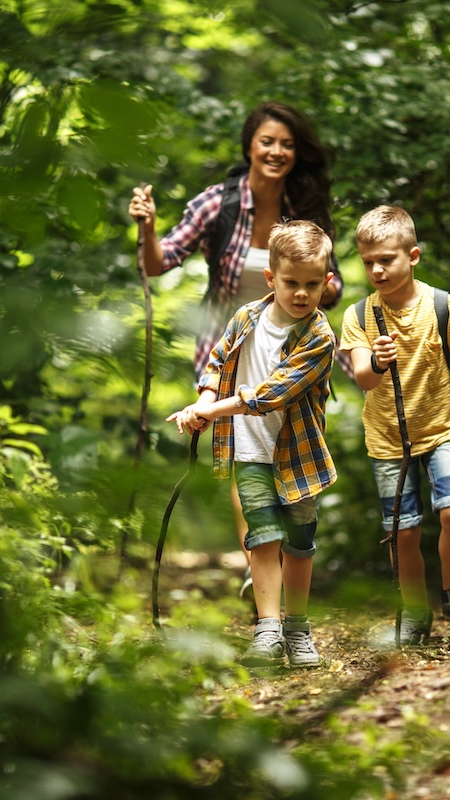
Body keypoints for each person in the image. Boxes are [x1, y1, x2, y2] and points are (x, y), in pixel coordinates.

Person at [128, 101, 343, 600]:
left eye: (287, 144)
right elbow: (159, 264)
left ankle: (280, 556)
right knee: (245, 450)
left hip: (292, 347)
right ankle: (259, 561)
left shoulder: (304, 208)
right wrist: (147, 227)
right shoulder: (216, 205)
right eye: (268, 140)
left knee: (288, 443)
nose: (277, 151)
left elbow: (330, 288)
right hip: (230, 345)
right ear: (249, 144)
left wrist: (311, 287)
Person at [167, 220, 337, 667]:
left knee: (299, 545)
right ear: (270, 279)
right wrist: (203, 400)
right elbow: (218, 360)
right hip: (248, 453)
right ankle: (268, 629)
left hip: (298, 457)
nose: (302, 293)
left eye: (312, 284)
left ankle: (298, 629)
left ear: (327, 282)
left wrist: (210, 410)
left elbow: (270, 394)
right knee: (261, 539)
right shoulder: (246, 317)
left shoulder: (319, 337)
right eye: (291, 283)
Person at [339, 205, 450, 645]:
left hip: (443, 428)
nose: (376, 270)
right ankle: (414, 611)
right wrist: (377, 360)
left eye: (386, 260)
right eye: (368, 262)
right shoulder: (359, 315)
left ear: (412, 256)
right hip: (387, 437)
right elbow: (362, 377)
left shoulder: (441, 305)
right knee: (403, 532)